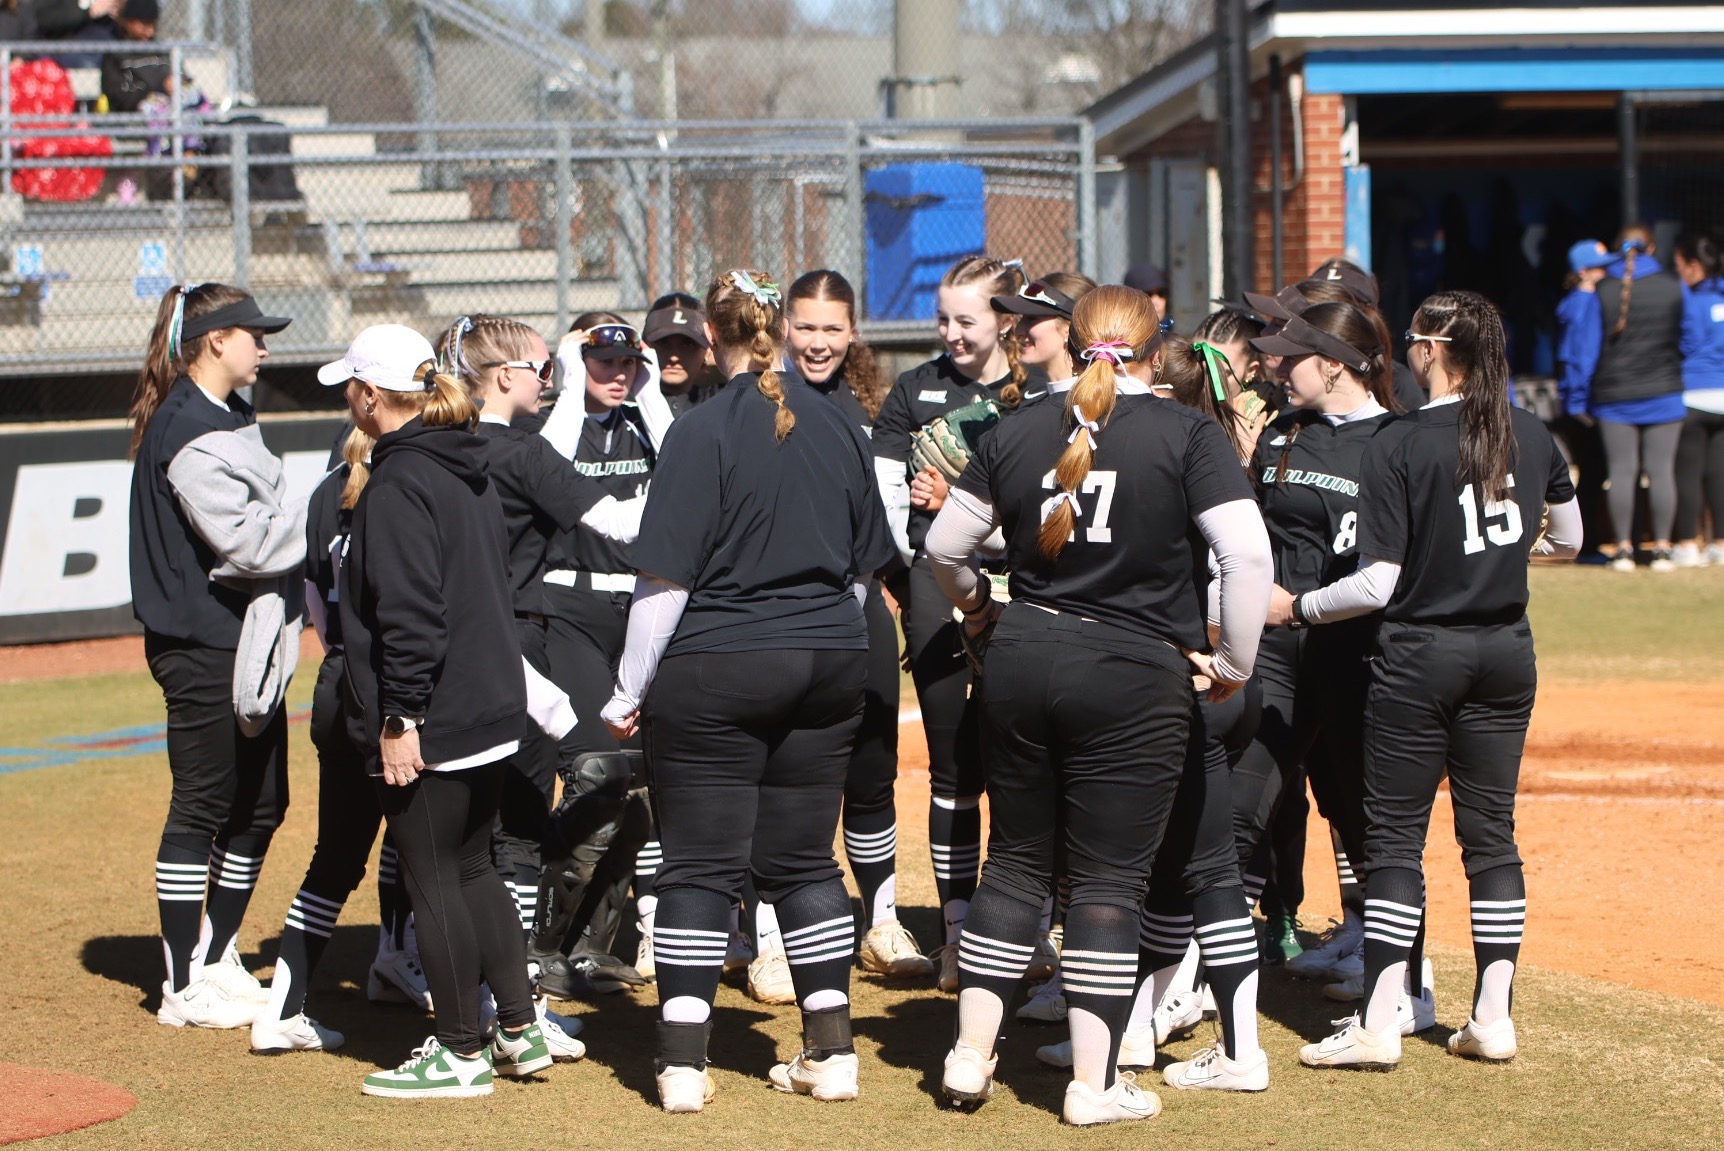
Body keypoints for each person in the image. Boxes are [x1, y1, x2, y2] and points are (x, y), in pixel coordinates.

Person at [925, 285, 1272, 1126]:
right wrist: (1231, 660)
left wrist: (976, 607)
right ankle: (1095, 1081)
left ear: (1073, 345)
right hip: (1135, 671)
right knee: (1108, 883)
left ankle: (970, 1055)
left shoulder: (1011, 429)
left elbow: (943, 545)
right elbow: (1248, 558)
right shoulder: (1189, 432)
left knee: (1014, 862)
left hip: (1023, 656)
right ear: (1158, 349)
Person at [599, 269, 896, 1112]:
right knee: (804, 858)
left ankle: (684, 1063)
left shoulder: (699, 432)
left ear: (713, 338)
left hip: (720, 664)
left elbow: (662, 582)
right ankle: (830, 1052)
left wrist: (627, 692)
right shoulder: (840, 423)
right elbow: (864, 573)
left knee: (699, 863)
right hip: (830, 658)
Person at [1289, 290, 1581, 1071]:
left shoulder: (1399, 441)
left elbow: (1377, 583)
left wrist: (1301, 605)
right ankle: (1493, 1013)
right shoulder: (1531, 429)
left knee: (1393, 838)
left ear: (1426, 351)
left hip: (1420, 654)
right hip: (1505, 650)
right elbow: (1572, 536)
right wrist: (1497, 560)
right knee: (1490, 836)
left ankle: (1382, 1022)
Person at [329, 324, 554, 1099]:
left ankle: (460, 1047)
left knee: (433, 874)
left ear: (369, 396)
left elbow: (411, 614)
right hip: (491, 701)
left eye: (350, 388)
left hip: (441, 712)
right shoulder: (464, 462)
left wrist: (400, 719)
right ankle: (519, 1029)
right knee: (473, 863)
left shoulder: (398, 480)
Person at [434, 313, 645, 996]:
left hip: (442, 647)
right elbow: (614, 522)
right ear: (504, 377)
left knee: (450, 824)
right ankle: (515, 981)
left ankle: (422, 960)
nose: (552, 385)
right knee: (521, 825)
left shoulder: (438, 445)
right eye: (544, 371)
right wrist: (708, 486)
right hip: (514, 644)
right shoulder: (521, 452)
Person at [128, 282, 300, 1031]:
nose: (263, 347)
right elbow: (248, 541)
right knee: (201, 806)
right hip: (199, 643)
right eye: (252, 333)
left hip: (245, 639)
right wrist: (327, 512)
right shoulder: (186, 425)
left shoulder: (231, 413)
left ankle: (218, 953)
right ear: (214, 339)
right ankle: (180, 980)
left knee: (262, 806)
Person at [870, 254, 1026, 991]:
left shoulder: (1032, 390)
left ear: (1004, 318)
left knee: (1024, 756)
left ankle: (1026, 925)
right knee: (952, 759)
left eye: (968, 319)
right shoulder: (915, 389)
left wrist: (961, 496)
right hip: (937, 586)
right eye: (943, 319)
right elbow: (892, 503)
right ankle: (959, 930)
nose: (952, 333)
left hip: (1023, 587)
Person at [782, 268, 934, 982]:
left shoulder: (860, 408)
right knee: (786, 777)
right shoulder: (759, 402)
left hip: (860, 605)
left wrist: (909, 591)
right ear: (784, 326)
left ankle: (879, 921)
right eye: (805, 326)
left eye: (831, 329)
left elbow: (879, 528)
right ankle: (778, 933)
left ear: (852, 333)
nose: (818, 342)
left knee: (871, 772)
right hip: (777, 613)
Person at [250, 427, 421, 1055]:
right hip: (394, 692)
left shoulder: (326, 491)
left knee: (338, 853)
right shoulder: (410, 485)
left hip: (338, 680)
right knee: (431, 848)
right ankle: (475, 999)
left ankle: (285, 1008)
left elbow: (317, 607)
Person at [1574, 228, 1687, 570]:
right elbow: (1689, 338)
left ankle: (1622, 550)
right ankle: (1663, 550)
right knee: (1662, 472)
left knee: (1621, 472)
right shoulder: (1672, 285)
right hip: (1665, 392)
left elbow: (1587, 349)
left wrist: (1579, 396)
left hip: (1614, 396)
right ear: (1652, 246)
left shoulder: (1603, 289)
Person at [1554, 239, 1617, 562]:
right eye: (1600, 267)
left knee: (1594, 473)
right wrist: (1580, 405)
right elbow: (1579, 358)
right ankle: (1587, 544)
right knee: (1592, 474)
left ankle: (1587, 543)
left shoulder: (1580, 301)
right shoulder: (1584, 305)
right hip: (1582, 406)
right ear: (1583, 271)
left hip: (1580, 403)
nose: (1607, 272)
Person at [1672, 232, 1724, 566]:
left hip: (1692, 394)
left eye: (1679, 265)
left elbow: (1686, 343)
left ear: (1693, 265)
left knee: (1687, 473)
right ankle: (1719, 544)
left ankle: (1688, 544)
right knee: (1719, 473)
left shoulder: (1687, 299)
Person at [642, 292, 716, 415]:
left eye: (687, 345)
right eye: (663, 343)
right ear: (644, 345)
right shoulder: (621, 406)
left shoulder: (720, 403)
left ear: (708, 349)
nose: (674, 357)